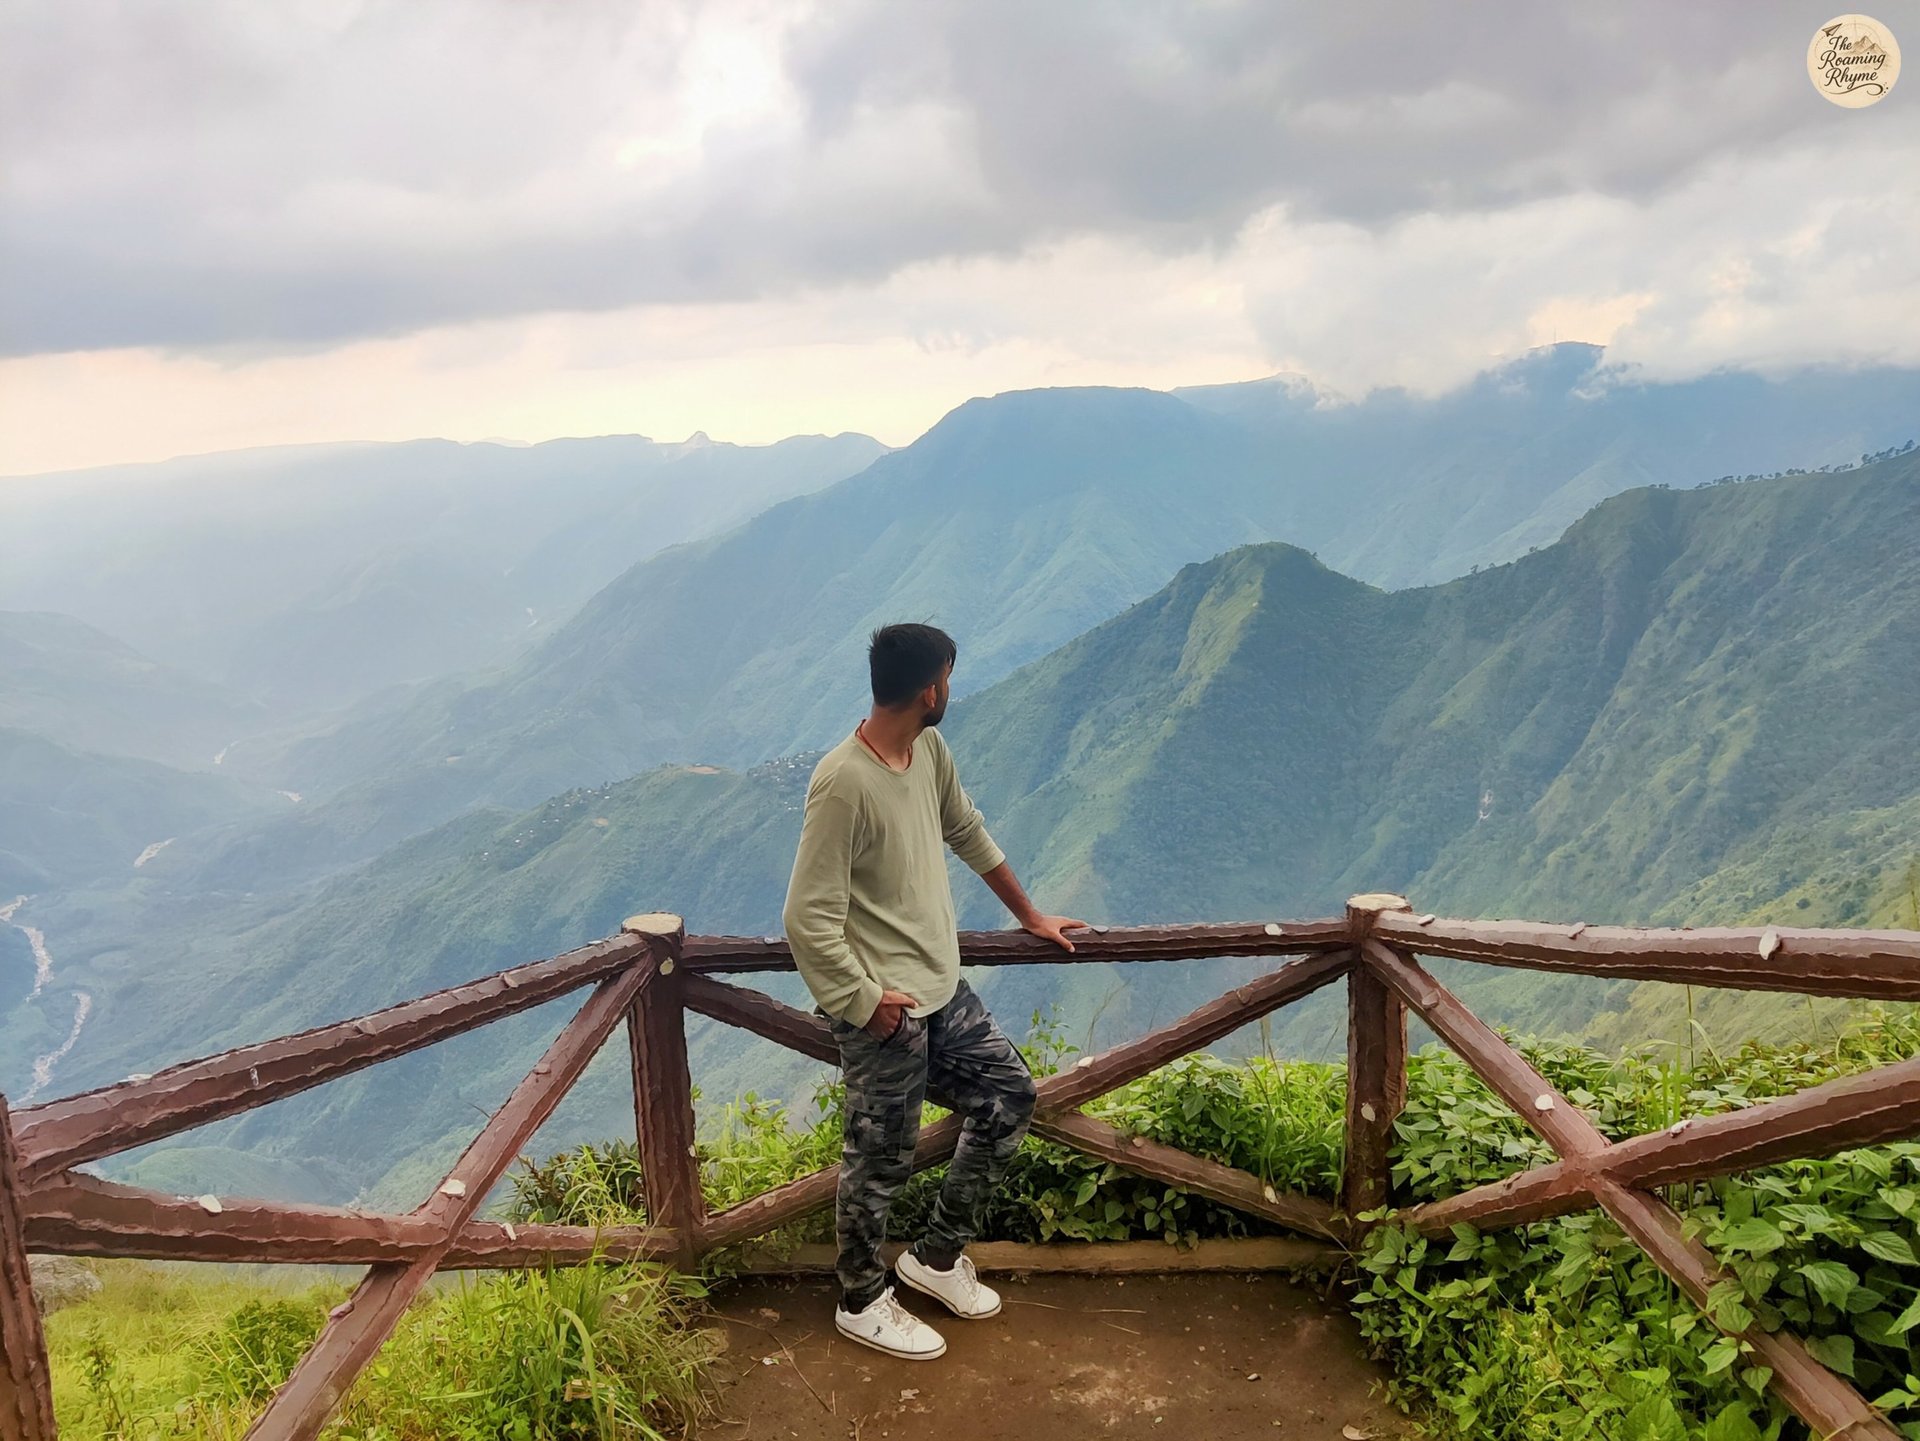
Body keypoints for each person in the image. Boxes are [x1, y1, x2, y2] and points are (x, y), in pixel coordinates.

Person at [781, 622, 1088, 1360]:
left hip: (941, 988)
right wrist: (862, 999)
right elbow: (804, 917)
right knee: (880, 1158)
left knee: (1009, 1092)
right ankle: (861, 1299)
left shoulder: (928, 751)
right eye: (949, 676)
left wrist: (1031, 914)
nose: (950, 687)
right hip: (883, 1010)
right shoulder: (842, 781)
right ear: (931, 688)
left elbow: (966, 829)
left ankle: (937, 1256)